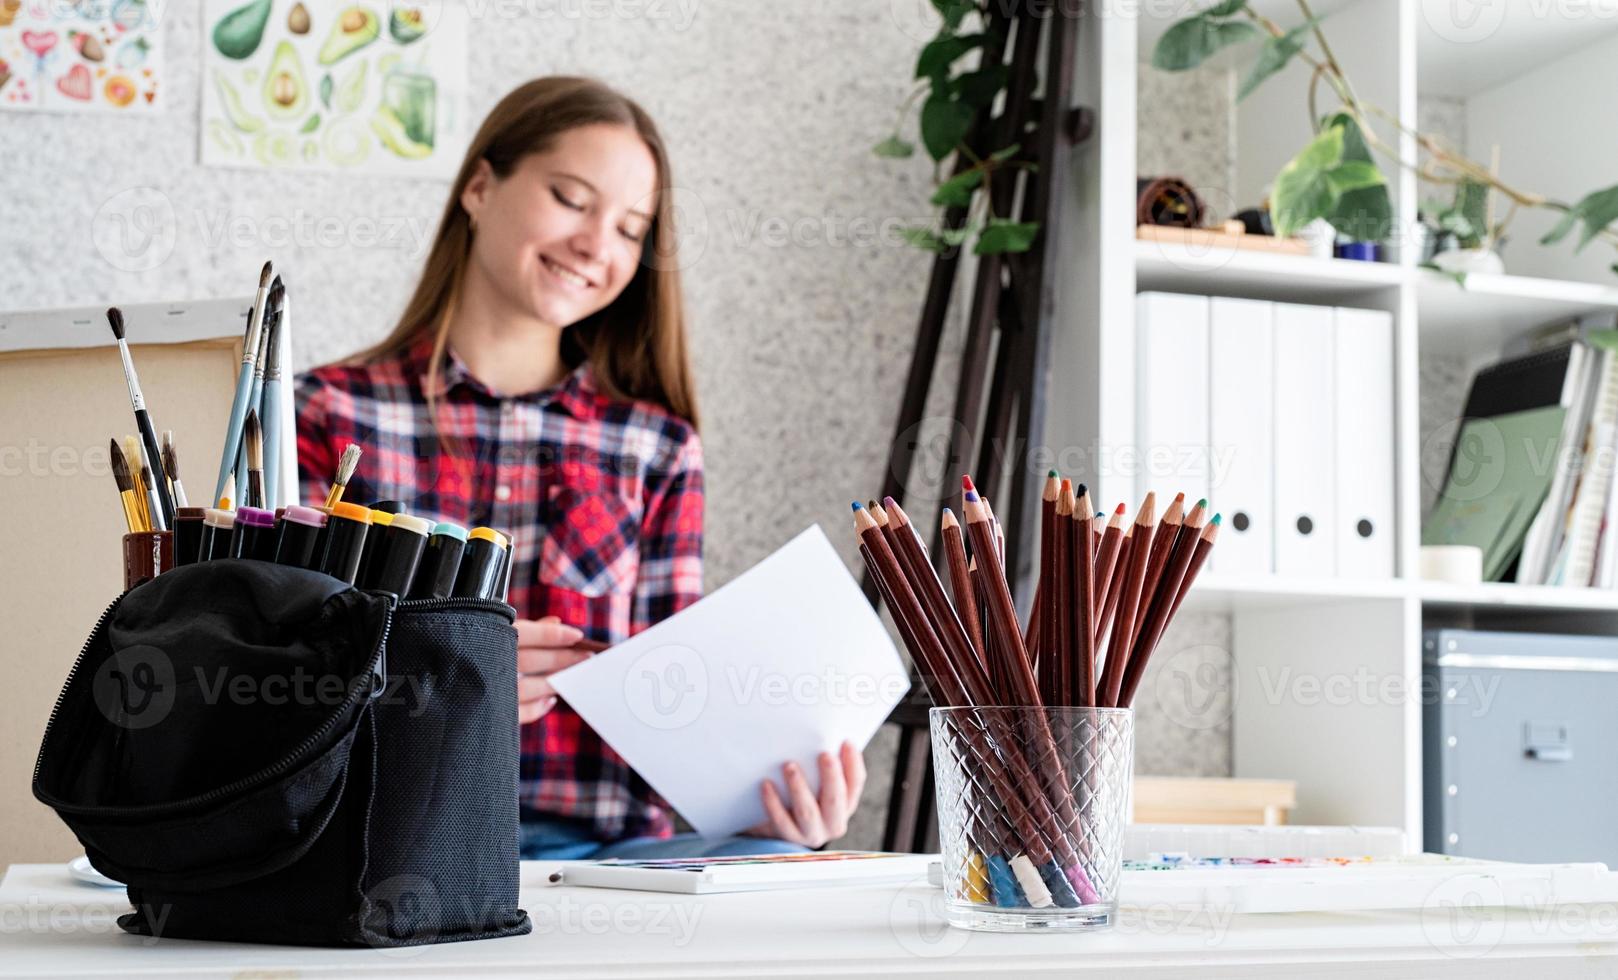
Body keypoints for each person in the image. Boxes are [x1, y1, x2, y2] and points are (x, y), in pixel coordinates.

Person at [295, 77, 866, 860]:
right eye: (571, 198)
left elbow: (678, 698)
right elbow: (286, 670)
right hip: (380, 831)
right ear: (480, 185)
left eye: (632, 229)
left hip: (600, 854)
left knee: (784, 861)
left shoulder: (657, 448)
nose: (598, 245)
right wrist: (446, 674)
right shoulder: (329, 413)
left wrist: (766, 807)